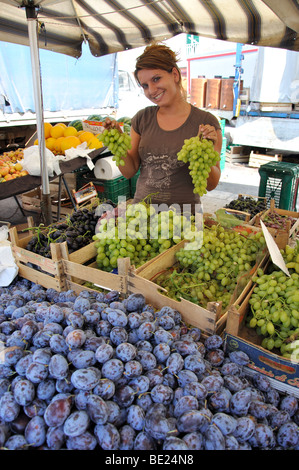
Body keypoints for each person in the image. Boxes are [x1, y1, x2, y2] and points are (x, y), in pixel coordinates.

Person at [105, 42, 222, 213]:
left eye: (156, 79)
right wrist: (117, 143)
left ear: (174, 74)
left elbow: (211, 185)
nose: (151, 90)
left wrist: (205, 153)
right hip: (142, 217)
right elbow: (129, 171)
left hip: (183, 220)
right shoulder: (142, 119)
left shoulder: (205, 122)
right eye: (145, 85)